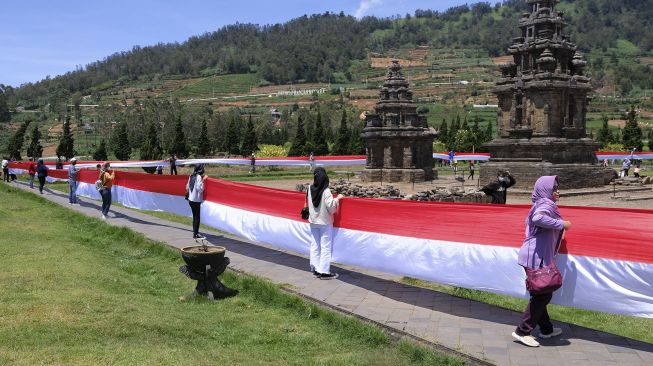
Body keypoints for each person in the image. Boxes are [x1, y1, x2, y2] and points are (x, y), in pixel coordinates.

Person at [512, 176, 572, 347]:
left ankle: (546, 329)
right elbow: (538, 219)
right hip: (535, 257)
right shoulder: (545, 204)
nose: (557, 192)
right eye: (554, 188)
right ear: (546, 190)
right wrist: (562, 224)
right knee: (543, 295)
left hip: (534, 255)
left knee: (540, 293)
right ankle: (522, 331)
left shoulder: (541, 202)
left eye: (558, 188)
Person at [307, 167, 343, 280]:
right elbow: (331, 208)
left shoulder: (309, 188)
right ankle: (324, 271)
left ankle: (316, 268)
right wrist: (337, 199)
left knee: (315, 245)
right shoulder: (326, 191)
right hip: (325, 222)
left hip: (313, 221)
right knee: (325, 247)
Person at [186, 164, 208, 239]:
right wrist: (203, 180)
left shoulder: (191, 175)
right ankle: (196, 234)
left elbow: (187, 187)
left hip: (190, 199)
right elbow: (200, 189)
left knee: (195, 217)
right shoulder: (198, 177)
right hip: (196, 200)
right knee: (197, 217)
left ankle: (194, 233)